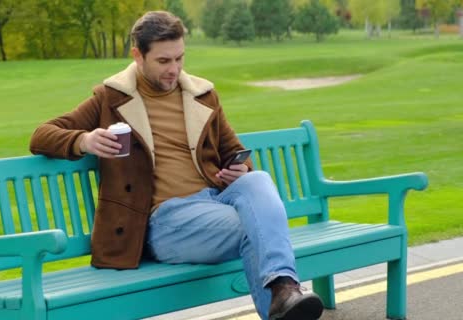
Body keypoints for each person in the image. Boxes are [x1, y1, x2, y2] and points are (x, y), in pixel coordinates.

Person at [29, 10, 323, 320]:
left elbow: (234, 150)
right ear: (137, 56)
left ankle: (284, 289)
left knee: (258, 179)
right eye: (163, 61)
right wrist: (83, 141)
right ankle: (284, 291)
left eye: (180, 59)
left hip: (212, 204)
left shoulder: (202, 95)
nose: (174, 69)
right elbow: (41, 135)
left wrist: (241, 169)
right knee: (259, 226)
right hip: (164, 222)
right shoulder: (110, 99)